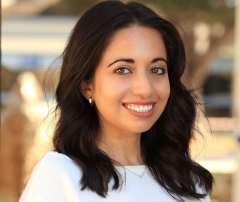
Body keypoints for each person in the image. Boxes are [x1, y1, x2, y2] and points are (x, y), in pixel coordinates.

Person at [20, 1, 214, 201]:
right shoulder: (61, 175)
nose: (145, 89)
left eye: (156, 69)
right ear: (87, 85)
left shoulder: (188, 181)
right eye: (122, 70)